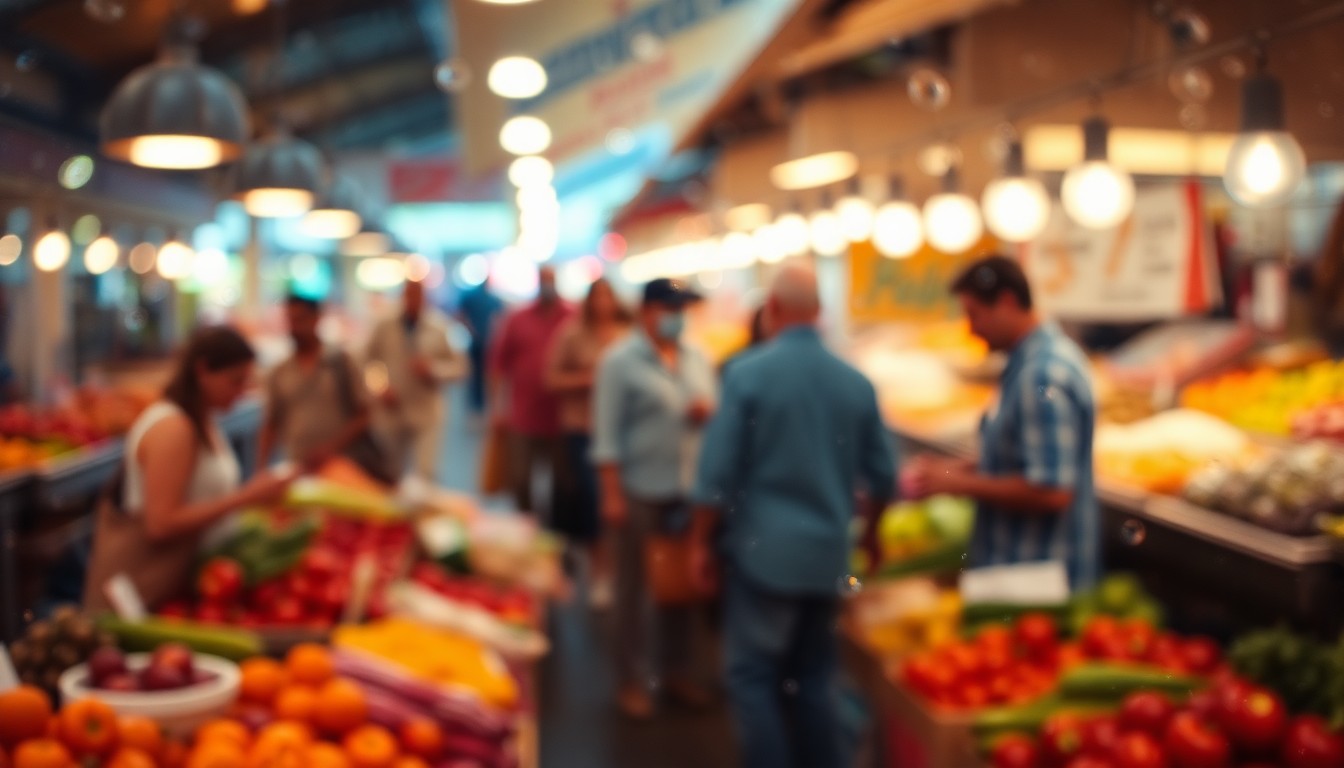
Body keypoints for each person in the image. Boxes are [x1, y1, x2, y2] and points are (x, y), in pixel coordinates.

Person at [689, 263, 896, 768]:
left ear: (772, 310)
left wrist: (700, 542)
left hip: (763, 554)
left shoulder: (747, 375)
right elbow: (885, 477)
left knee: (753, 676)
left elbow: (716, 472)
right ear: (820, 312)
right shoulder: (856, 383)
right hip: (828, 554)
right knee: (815, 674)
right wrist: (870, 537)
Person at [905, 254, 1100, 589]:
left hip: (1038, 581)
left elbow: (1052, 490)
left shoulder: (1043, 374)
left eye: (974, 314)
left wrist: (959, 484)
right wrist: (960, 470)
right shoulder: (1028, 364)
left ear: (1008, 302)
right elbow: (1026, 458)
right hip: (1024, 573)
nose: (971, 328)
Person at [84, 326, 297, 610]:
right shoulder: (174, 428)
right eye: (234, 381)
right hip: (149, 595)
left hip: (184, 584)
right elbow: (160, 524)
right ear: (202, 370)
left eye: (247, 381)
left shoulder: (202, 419)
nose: (242, 392)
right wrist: (246, 497)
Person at [591, 277, 717, 719]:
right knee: (632, 590)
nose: (678, 318)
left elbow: (713, 406)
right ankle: (629, 679)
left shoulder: (696, 356)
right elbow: (605, 435)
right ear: (648, 312)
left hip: (686, 491)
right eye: (671, 309)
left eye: (682, 310)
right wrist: (611, 493)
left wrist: (705, 411)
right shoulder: (619, 362)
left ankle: (676, 671)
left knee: (680, 586)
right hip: (638, 489)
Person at [545, 278, 631, 607]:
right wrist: (587, 380)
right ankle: (600, 570)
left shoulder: (628, 334)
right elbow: (550, 378)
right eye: (598, 297)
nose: (604, 304)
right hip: (584, 428)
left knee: (624, 503)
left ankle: (621, 567)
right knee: (595, 502)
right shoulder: (572, 334)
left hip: (624, 430)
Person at [489, 266, 574, 515]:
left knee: (562, 484)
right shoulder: (517, 319)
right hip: (523, 416)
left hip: (560, 418)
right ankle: (527, 528)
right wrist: (496, 407)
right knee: (521, 481)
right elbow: (497, 365)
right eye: (544, 280)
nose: (548, 285)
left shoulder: (572, 316)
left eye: (551, 280)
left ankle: (558, 537)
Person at [257, 294, 375, 471]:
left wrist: (331, 448)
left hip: (343, 466)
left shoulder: (341, 363)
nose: (295, 327)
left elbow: (365, 414)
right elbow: (271, 424)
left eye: (301, 319)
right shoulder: (279, 372)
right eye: (291, 320)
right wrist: (261, 468)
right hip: (298, 465)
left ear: (316, 318)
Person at [366, 279, 469, 481]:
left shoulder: (440, 327)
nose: (412, 299)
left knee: (426, 472)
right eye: (408, 294)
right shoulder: (384, 325)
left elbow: (460, 368)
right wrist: (379, 387)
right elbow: (368, 360)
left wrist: (433, 370)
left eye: (417, 294)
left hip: (426, 411)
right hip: (392, 410)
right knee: (390, 472)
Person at [456, 281, 506, 421]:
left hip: (487, 344)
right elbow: (461, 315)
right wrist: (473, 331)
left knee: (487, 376)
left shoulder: (492, 299)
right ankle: (478, 408)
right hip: (479, 343)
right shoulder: (475, 297)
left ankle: (484, 408)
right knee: (478, 376)